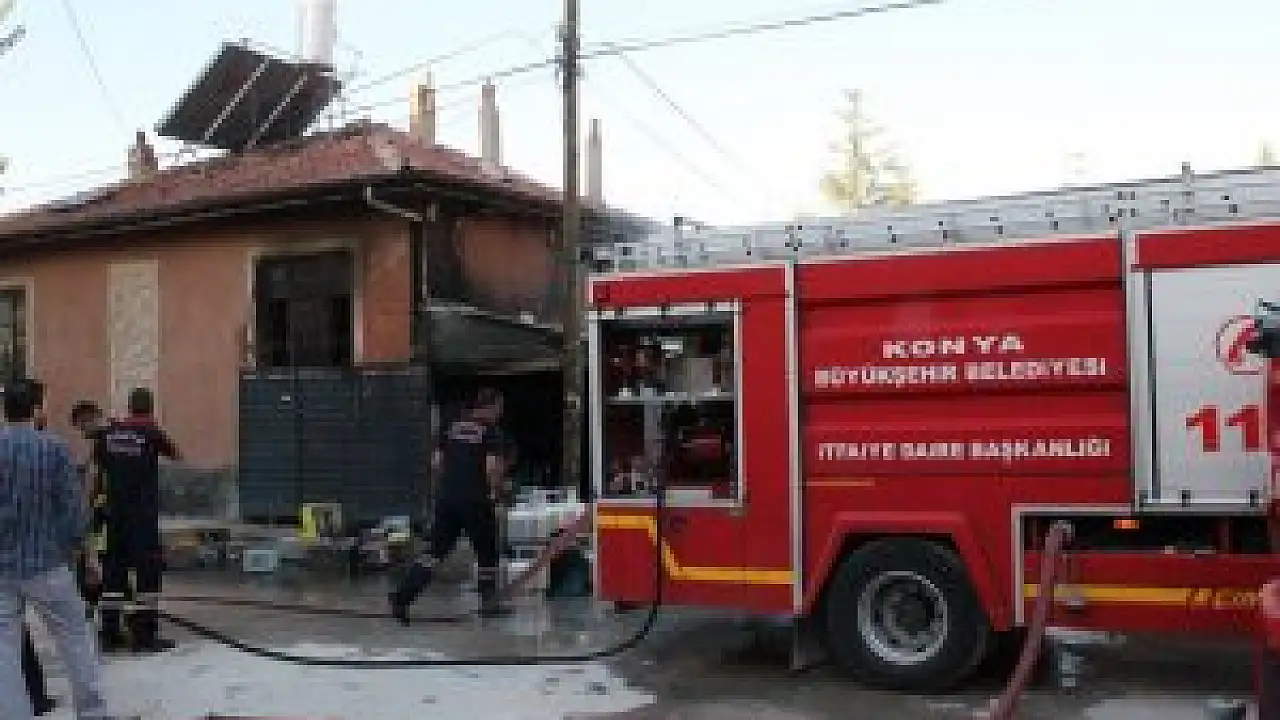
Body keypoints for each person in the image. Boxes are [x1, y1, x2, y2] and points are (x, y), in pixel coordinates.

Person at [0, 378, 112, 719]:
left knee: (4, 649)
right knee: (75, 638)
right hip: (47, 563)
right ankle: (92, 712)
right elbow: (73, 509)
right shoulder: (54, 448)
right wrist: (86, 554)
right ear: (36, 410)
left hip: (2, 567)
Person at [390, 387, 507, 622]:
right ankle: (489, 605)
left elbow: (436, 463)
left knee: (434, 552)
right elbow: (491, 467)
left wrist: (447, 488)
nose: (500, 413)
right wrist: (496, 493)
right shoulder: (490, 432)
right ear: (490, 407)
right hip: (476, 501)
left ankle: (403, 596)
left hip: (448, 500)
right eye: (499, 408)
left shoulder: (451, 427)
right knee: (487, 553)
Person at [95, 387, 180, 653]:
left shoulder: (109, 435)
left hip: (114, 516)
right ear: (151, 407)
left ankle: (109, 633)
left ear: (130, 406)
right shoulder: (151, 434)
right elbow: (177, 455)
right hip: (142, 518)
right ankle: (144, 636)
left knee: (113, 575)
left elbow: (96, 467)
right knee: (147, 575)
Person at [69, 401, 107, 612]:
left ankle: (92, 606)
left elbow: (92, 479)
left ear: (90, 418)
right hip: (117, 513)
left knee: (92, 561)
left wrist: (84, 509)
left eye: (82, 427)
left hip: (102, 514)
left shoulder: (101, 443)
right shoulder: (114, 436)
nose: (83, 433)